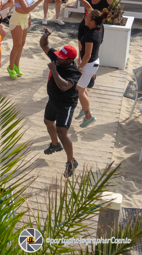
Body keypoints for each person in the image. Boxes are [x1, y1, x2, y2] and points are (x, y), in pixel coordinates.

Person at [39, 29, 81, 177]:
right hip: (53, 100)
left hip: (66, 104)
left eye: (62, 58)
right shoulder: (58, 58)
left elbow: (64, 86)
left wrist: (54, 70)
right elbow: (44, 45)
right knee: (48, 121)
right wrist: (45, 36)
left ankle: (71, 162)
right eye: (58, 56)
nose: (58, 59)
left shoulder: (74, 72)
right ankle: (55, 145)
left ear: (70, 60)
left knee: (62, 132)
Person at [69, 0, 108, 128]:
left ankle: (88, 116)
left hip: (89, 64)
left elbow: (87, 54)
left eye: (87, 17)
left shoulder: (91, 35)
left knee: (79, 89)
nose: (85, 17)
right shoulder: (99, 26)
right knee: (82, 87)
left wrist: (80, 67)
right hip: (93, 62)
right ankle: (84, 109)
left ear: (92, 22)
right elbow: (89, 7)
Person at [7, 0, 45, 79]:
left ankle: (17, 65)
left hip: (25, 18)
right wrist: (39, 1)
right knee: (17, 45)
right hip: (17, 19)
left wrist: (29, 18)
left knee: (22, 44)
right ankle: (10, 67)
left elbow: (28, 9)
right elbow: (26, 9)